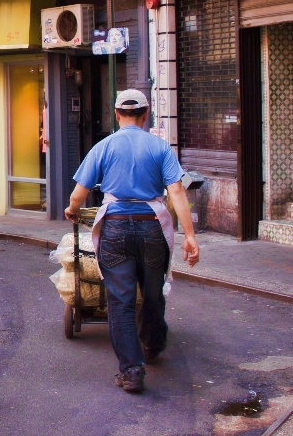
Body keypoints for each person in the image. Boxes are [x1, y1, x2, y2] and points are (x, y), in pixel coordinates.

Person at [65, 89, 200, 394]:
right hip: (152, 228)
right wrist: (190, 237)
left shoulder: (104, 146)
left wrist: (72, 211)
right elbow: (176, 192)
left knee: (121, 302)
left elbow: (78, 195)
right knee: (153, 294)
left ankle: (131, 370)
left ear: (116, 114)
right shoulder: (160, 147)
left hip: (114, 231)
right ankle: (152, 345)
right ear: (145, 114)